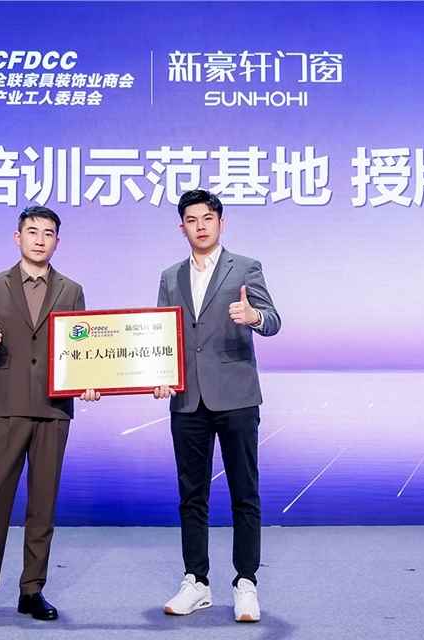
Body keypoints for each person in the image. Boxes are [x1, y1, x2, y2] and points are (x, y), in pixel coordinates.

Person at [0, 205, 100, 624]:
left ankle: (32, 590)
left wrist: (89, 381)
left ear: (57, 241)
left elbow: (82, 348)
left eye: (48, 233)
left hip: (54, 408)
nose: (40, 239)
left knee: (43, 503)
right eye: (33, 231)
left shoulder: (72, 289)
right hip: (8, 406)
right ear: (17, 237)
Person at [153, 189, 281, 623]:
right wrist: (159, 375)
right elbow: (161, 335)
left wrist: (255, 317)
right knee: (192, 494)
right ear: (182, 227)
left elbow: (274, 320)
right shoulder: (170, 276)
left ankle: (246, 582)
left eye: (208, 218)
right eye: (192, 220)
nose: (201, 226)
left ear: (221, 223)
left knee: (245, 492)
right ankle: (196, 581)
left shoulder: (245, 267)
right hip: (187, 398)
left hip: (236, 396)